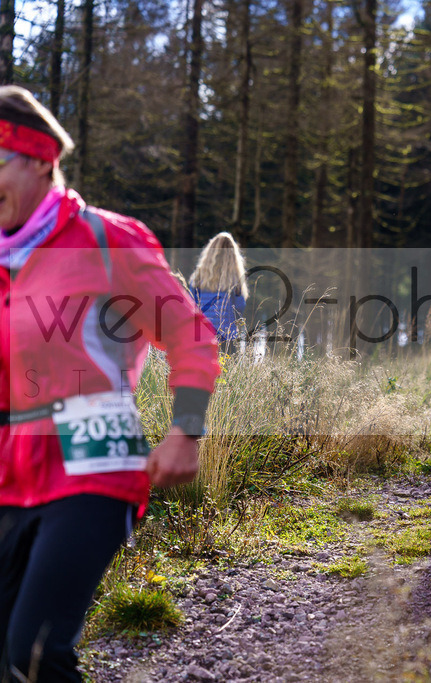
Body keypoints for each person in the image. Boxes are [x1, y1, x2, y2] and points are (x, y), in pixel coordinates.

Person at [0, 86, 220, 681]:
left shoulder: (106, 239)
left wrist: (186, 431)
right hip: (7, 476)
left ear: (41, 159)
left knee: (35, 654)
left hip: (92, 465)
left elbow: (190, 335)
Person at [189, 231, 249, 354]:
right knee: (228, 371)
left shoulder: (198, 278)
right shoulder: (235, 279)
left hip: (201, 336)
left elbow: (191, 305)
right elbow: (240, 307)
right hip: (226, 336)